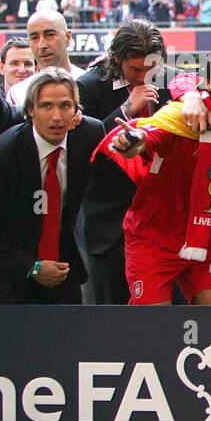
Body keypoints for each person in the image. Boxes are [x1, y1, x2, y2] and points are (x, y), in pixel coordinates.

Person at [96, 42, 211, 305]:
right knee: (155, 332)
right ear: (208, 83)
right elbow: (149, 135)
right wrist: (133, 143)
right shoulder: (183, 115)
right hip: (155, 240)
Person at [76, 19, 179, 305]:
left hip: (164, 223)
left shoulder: (175, 82)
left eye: (152, 70)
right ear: (117, 59)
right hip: (111, 230)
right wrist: (124, 110)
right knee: (112, 321)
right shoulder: (88, 87)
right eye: (135, 70)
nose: (145, 77)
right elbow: (81, 151)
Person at [0, 68, 104, 304]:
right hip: (10, 272)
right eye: (46, 106)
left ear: (76, 110)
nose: (56, 116)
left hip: (64, 269)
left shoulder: (90, 135)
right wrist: (31, 267)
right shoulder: (3, 154)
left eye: (65, 106)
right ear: (31, 109)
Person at [11, 9, 87, 106]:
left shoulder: (89, 84)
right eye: (34, 37)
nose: (42, 45)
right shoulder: (18, 93)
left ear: (68, 37)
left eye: (50, 35)